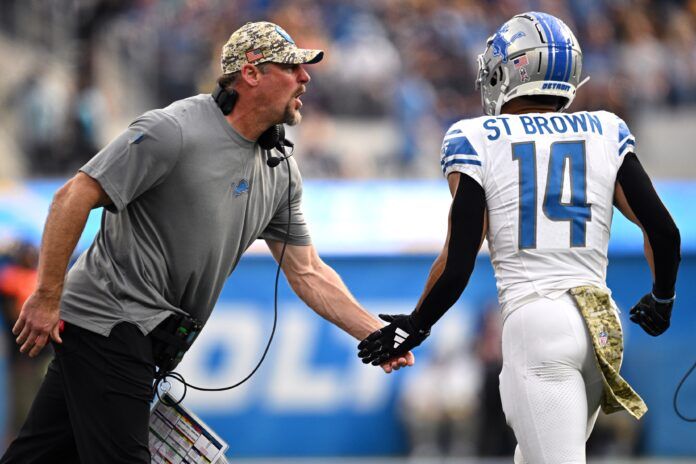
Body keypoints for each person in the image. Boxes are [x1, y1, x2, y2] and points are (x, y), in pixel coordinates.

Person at [2, 21, 413, 464]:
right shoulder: (173, 130)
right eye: (292, 67)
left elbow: (308, 271)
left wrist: (374, 331)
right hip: (110, 319)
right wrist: (47, 295)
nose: (305, 78)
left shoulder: (279, 170)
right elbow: (72, 196)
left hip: (141, 338)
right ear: (251, 73)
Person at [358, 11, 680, 464]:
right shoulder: (606, 128)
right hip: (602, 325)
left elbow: (459, 261)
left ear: (508, 68)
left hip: (536, 321)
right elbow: (663, 231)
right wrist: (663, 297)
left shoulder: (475, 137)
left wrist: (417, 323)